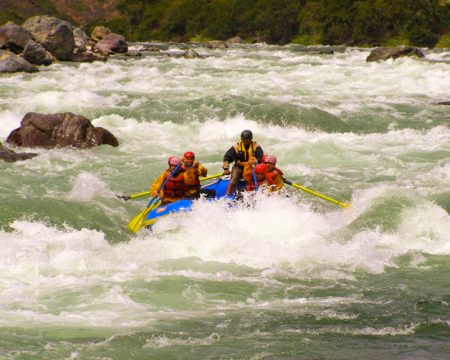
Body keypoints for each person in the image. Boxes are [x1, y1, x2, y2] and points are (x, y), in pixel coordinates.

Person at [223, 129, 263, 195]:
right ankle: (227, 194)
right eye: (243, 139)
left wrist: (254, 162)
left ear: (251, 139)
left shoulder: (256, 146)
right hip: (239, 166)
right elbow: (227, 157)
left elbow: (260, 157)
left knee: (256, 177)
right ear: (241, 139)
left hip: (251, 167)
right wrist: (226, 169)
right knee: (234, 177)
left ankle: (254, 191)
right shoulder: (236, 146)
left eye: (247, 139)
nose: (245, 141)